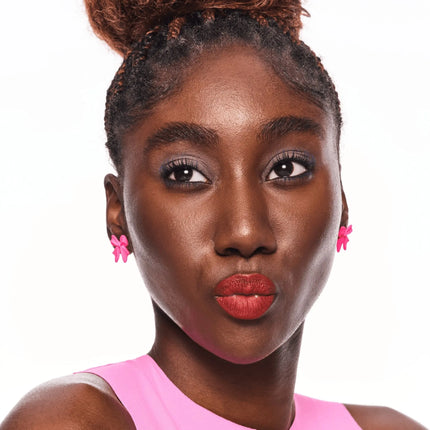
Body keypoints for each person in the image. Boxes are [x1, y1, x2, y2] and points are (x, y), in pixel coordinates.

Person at [0, 1, 427, 429]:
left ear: (342, 200)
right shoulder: (71, 421)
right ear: (118, 211)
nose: (245, 232)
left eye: (286, 169)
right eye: (185, 174)